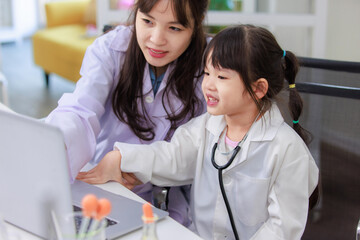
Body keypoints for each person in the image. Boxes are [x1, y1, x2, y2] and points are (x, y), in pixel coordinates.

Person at [77, 24, 319, 239]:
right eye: (206, 73)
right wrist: (122, 158)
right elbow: (171, 157)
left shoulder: (287, 151)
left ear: (258, 89)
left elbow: (282, 229)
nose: (208, 85)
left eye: (222, 76)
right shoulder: (205, 128)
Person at [45, 0, 209, 226]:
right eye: (147, 21)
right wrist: (57, 139)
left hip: (166, 200)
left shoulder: (212, 68)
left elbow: (200, 148)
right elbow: (80, 109)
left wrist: (132, 162)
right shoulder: (110, 49)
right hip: (100, 183)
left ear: (197, 24)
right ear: (135, 12)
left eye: (175, 28)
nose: (156, 39)